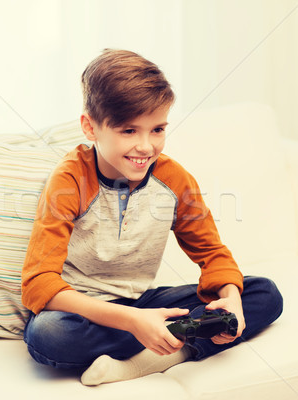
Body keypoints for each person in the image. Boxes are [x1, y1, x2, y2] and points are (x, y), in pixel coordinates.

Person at [21, 49, 283, 386]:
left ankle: (152, 357)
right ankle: (166, 338)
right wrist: (132, 321)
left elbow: (213, 256)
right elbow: (38, 284)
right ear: (90, 127)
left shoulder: (174, 179)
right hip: (82, 311)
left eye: (157, 129)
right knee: (48, 334)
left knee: (263, 294)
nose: (146, 146)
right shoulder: (70, 179)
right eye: (129, 131)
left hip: (143, 301)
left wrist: (230, 298)